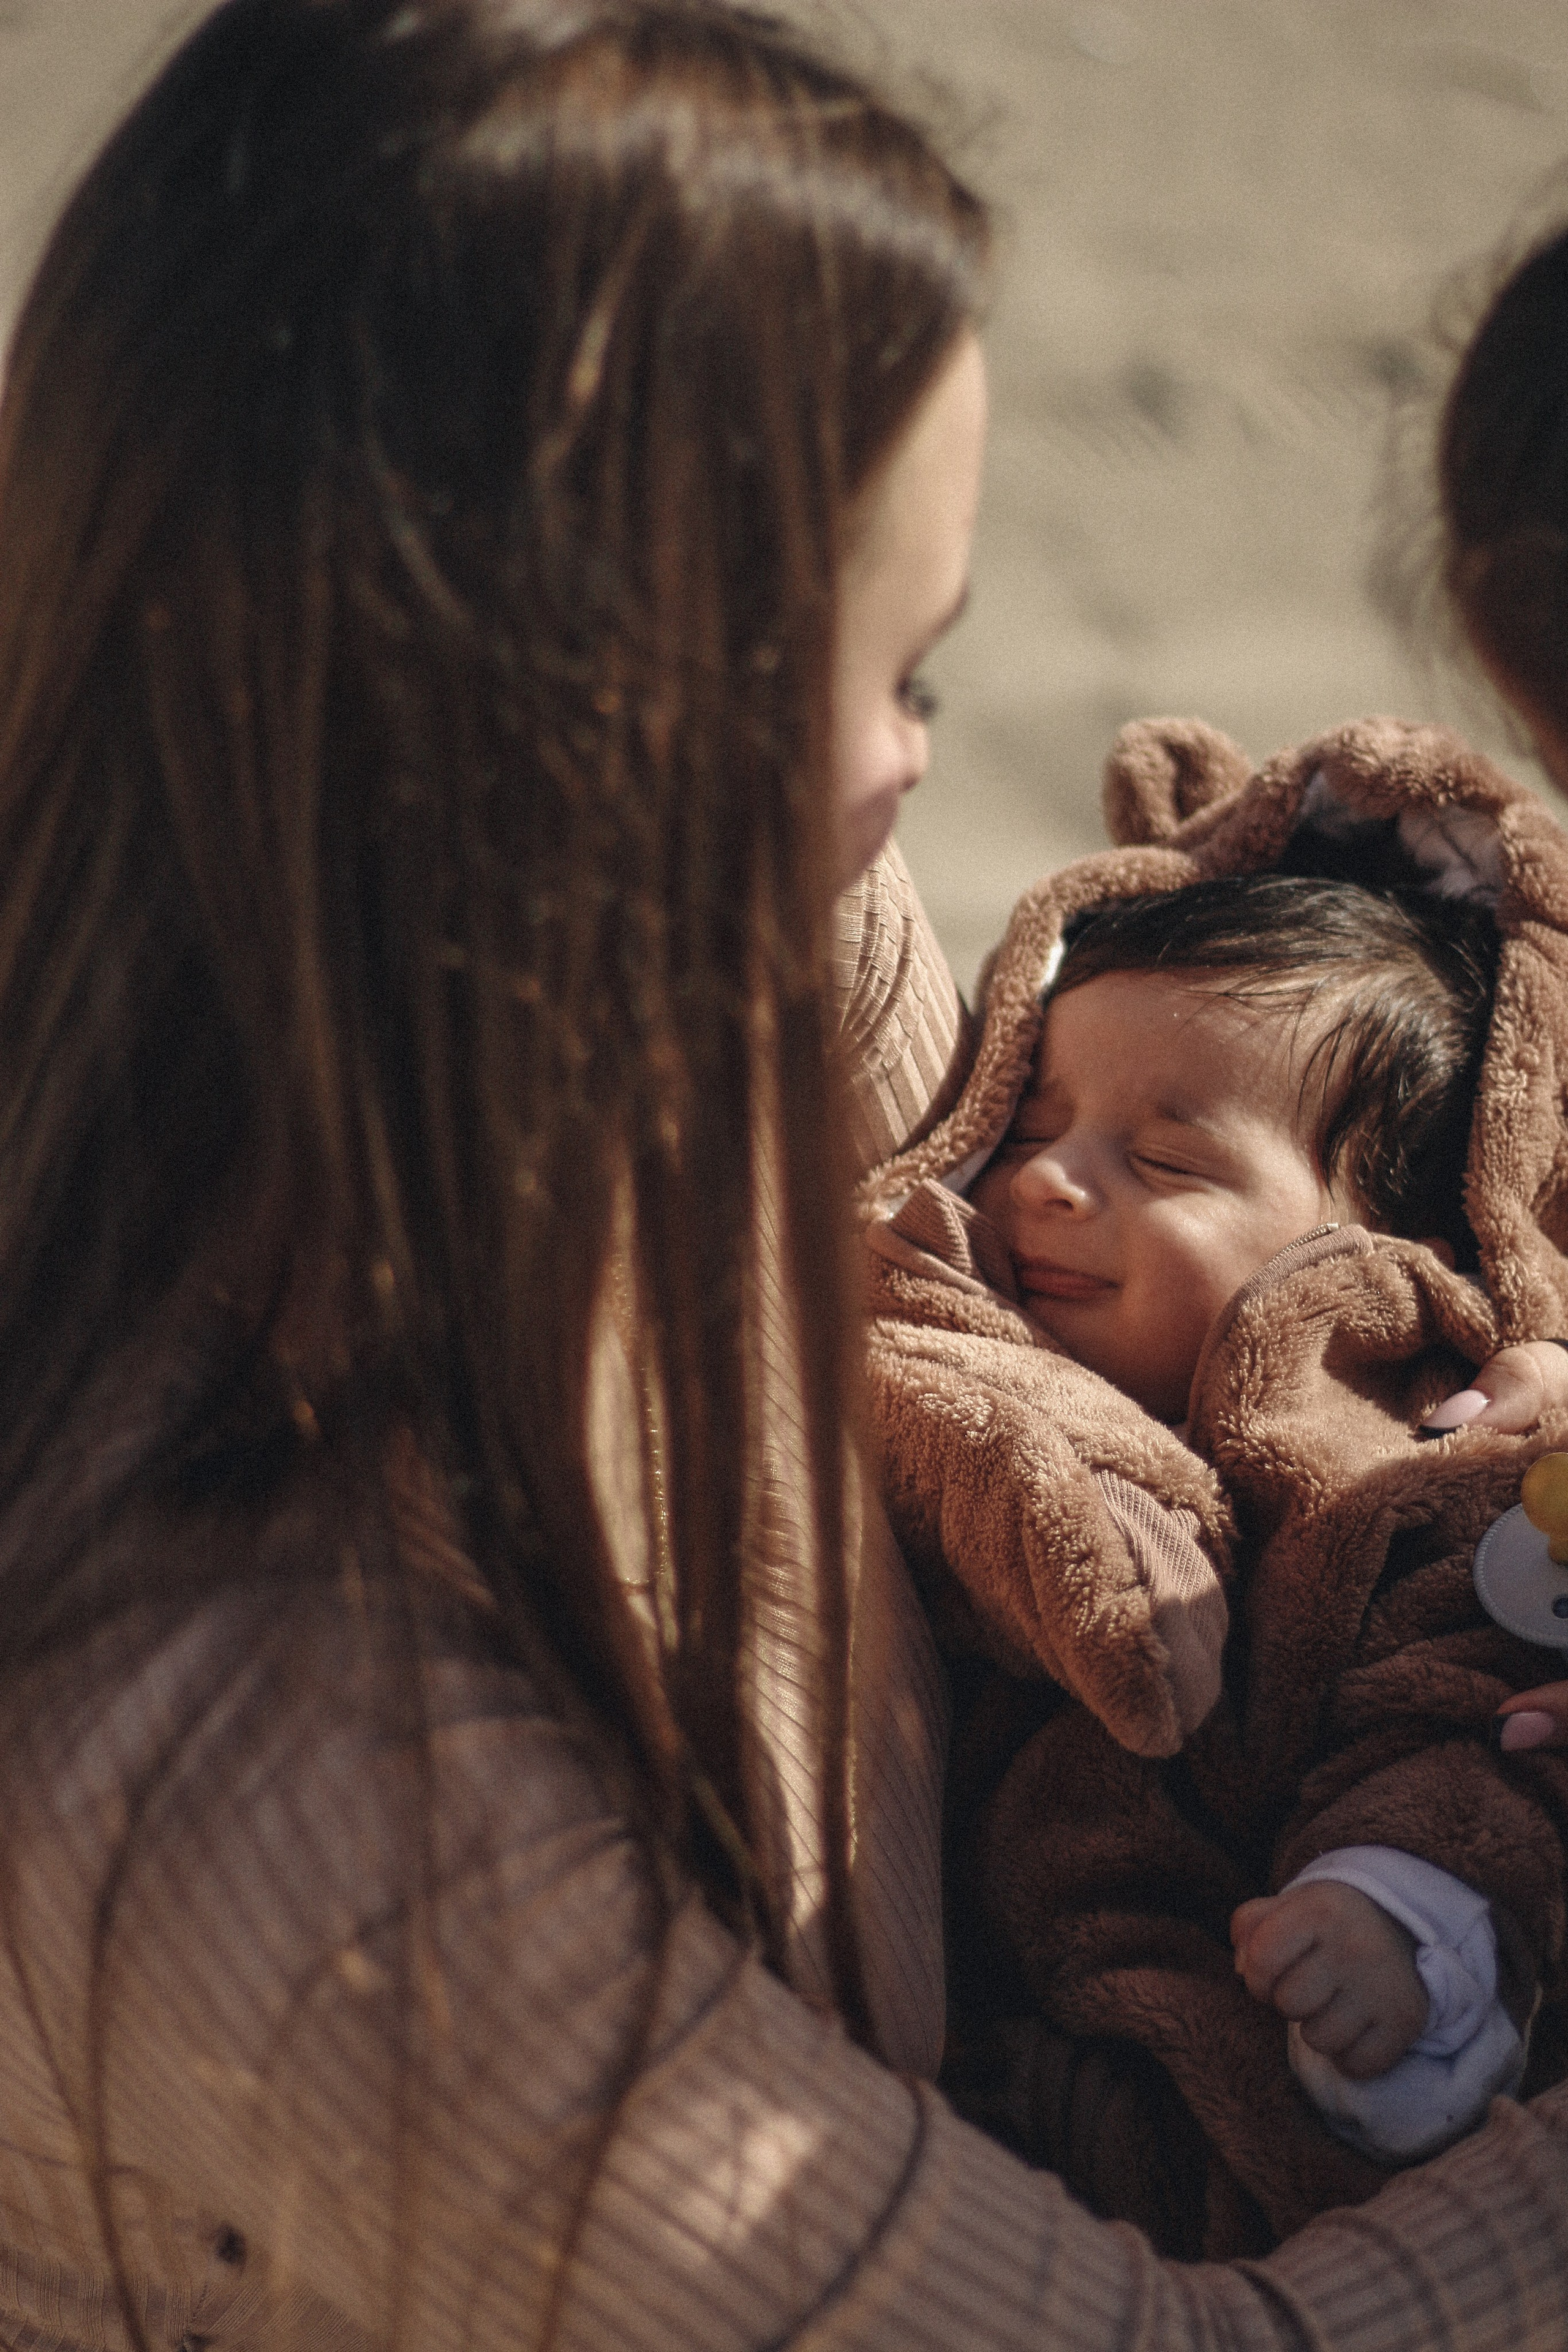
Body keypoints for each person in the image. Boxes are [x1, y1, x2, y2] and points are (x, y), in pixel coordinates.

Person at [0, 2, 1566, 2347]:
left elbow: (1067, 1191)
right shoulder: (301, 1798)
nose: (912, 785)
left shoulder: (649, 949)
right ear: (591, 722)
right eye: (902, 671)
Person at [861, 715, 1568, 2253]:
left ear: (1386, 1245)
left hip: (1270, 2091)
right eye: (1034, 1125)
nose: (1049, 1179)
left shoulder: (1410, 1459)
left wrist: (1401, 1918)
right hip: (977, 2080)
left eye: (1165, 1163)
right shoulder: (958, 1345)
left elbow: (1465, 1705)